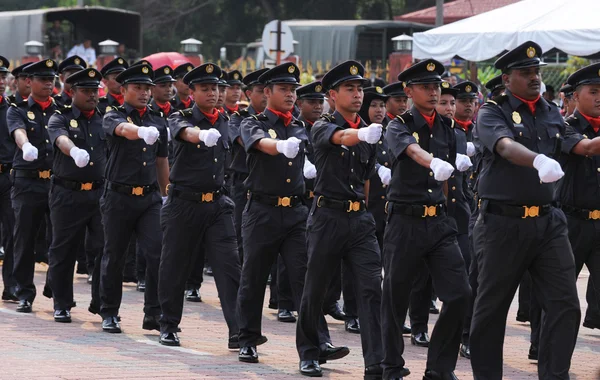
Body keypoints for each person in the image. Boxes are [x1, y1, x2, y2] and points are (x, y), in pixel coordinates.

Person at [470, 41, 581, 380]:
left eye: (537, 71)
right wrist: (537, 160)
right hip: (502, 223)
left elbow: (576, 142)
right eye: (525, 72)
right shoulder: (492, 111)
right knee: (491, 310)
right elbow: (503, 145)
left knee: (565, 305)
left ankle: (554, 374)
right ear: (506, 79)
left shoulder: (549, 111)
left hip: (548, 222)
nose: (534, 77)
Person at [237, 62, 339, 367]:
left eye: (293, 90)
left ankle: (316, 347)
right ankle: (247, 339)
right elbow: (260, 143)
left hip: (294, 212)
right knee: (254, 277)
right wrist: (280, 146)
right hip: (261, 211)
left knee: (305, 278)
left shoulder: (300, 126)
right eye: (283, 89)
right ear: (267, 92)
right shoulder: (252, 122)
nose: (290, 95)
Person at [381, 59, 472, 380]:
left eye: (437, 86)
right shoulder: (399, 125)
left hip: (439, 222)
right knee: (395, 298)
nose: (434, 92)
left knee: (460, 293)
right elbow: (411, 152)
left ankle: (439, 368)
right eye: (426, 87)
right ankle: (390, 366)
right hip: (405, 222)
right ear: (409, 91)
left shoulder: (449, 128)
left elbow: (451, 180)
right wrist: (432, 161)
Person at [296, 61, 383, 379]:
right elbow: (340, 138)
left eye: (360, 88)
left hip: (358, 220)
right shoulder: (322, 126)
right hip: (327, 217)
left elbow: (367, 179)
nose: (358, 94)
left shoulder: (369, 131)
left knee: (372, 288)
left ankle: (376, 362)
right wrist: (361, 133)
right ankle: (309, 351)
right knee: (315, 288)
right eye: (350, 89)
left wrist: (365, 212)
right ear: (332, 95)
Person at [158, 63, 240, 347]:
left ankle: (239, 332)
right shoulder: (179, 117)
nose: (213, 93)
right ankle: (168, 324)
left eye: (216, 88)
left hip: (218, 204)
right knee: (174, 266)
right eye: (205, 88)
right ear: (191, 92)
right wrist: (201, 136)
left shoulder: (228, 119)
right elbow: (183, 132)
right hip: (184, 203)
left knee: (229, 268)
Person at [99, 63, 169, 333]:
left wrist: (166, 195)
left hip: (149, 198)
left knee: (156, 252)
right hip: (118, 196)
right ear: (125, 89)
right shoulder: (112, 114)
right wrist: (139, 131)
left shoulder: (157, 118)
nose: (143, 93)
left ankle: (153, 312)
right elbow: (120, 130)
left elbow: (162, 161)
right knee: (114, 255)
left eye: (147, 88)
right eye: (137, 88)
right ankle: (109, 311)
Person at [46, 67, 106, 323]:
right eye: (86, 90)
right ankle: (62, 302)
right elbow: (60, 139)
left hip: (100, 193)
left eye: (95, 90)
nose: (92, 95)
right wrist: (74, 152)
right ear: (71, 92)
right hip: (67, 192)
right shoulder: (59, 117)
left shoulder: (106, 118)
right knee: (64, 249)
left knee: (104, 248)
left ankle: (102, 303)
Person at [7, 59, 59, 313]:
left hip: (56, 182)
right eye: (43, 80)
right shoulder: (16, 109)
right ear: (30, 82)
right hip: (27, 181)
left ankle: (56, 286)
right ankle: (24, 292)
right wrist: (25, 146)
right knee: (24, 238)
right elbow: (18, 132)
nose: (49, 84)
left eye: (52, 80)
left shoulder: (61, 110)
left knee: (59, 238)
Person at [559, 61, 600, 337]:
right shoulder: (564, 127)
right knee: (559, 291)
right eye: (593, 91)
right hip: (571, 223)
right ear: (575, 96)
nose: (599, 98)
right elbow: (585, 148)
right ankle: (542, 343)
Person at [228, 68, 268, 263]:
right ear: (249, 94)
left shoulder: (284, 120)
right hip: (244, 183)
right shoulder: (238, 119)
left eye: (268, 89)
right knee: (243, 232)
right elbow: (248, 143)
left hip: (271, 183)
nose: (265, 95)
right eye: (260, 90)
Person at [0, 56, 17, 302]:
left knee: (14, 233)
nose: (1, 81)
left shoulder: (13, 109)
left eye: (3, 76)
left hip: (8, 177)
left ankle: (11, 285)